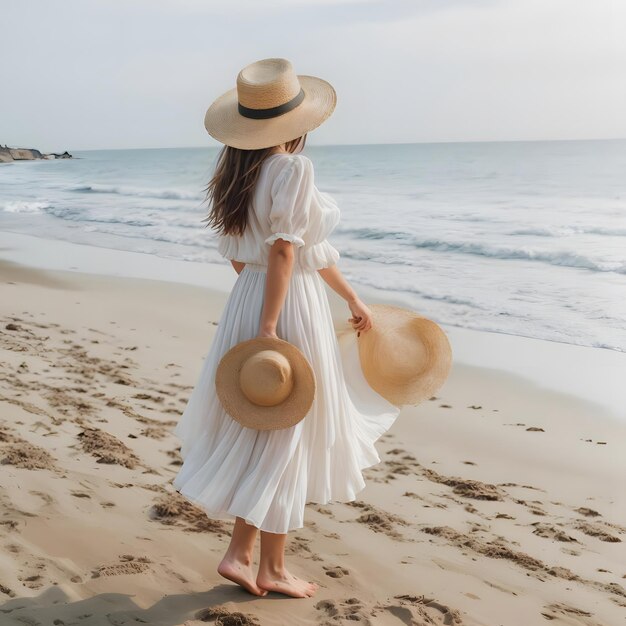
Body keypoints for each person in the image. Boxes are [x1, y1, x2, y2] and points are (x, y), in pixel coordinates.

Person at [173, 58, 400, 599]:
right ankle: (258, 562)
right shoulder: (292, 170)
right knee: (289, 432)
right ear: (296, 122)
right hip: (286, 307)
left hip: (247, 299)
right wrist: (274, 323)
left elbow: (265, 254)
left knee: (269, 428)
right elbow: (284, 250)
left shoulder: (235, 176)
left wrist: (351, 298)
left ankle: (251, 556)